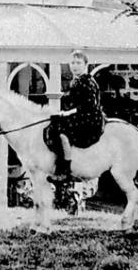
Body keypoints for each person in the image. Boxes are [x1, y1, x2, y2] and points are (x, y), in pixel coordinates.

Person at [46, 50, 105, 181]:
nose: (74, 66)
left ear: (85, 64)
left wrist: (67, 113)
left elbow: (87, 106)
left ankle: (65, 168)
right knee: (52, 123)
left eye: (78, 63)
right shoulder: (77, 81)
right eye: (72, 63)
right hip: (80, 116)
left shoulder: (87, 82)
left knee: (61, 133)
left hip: (89, 119)